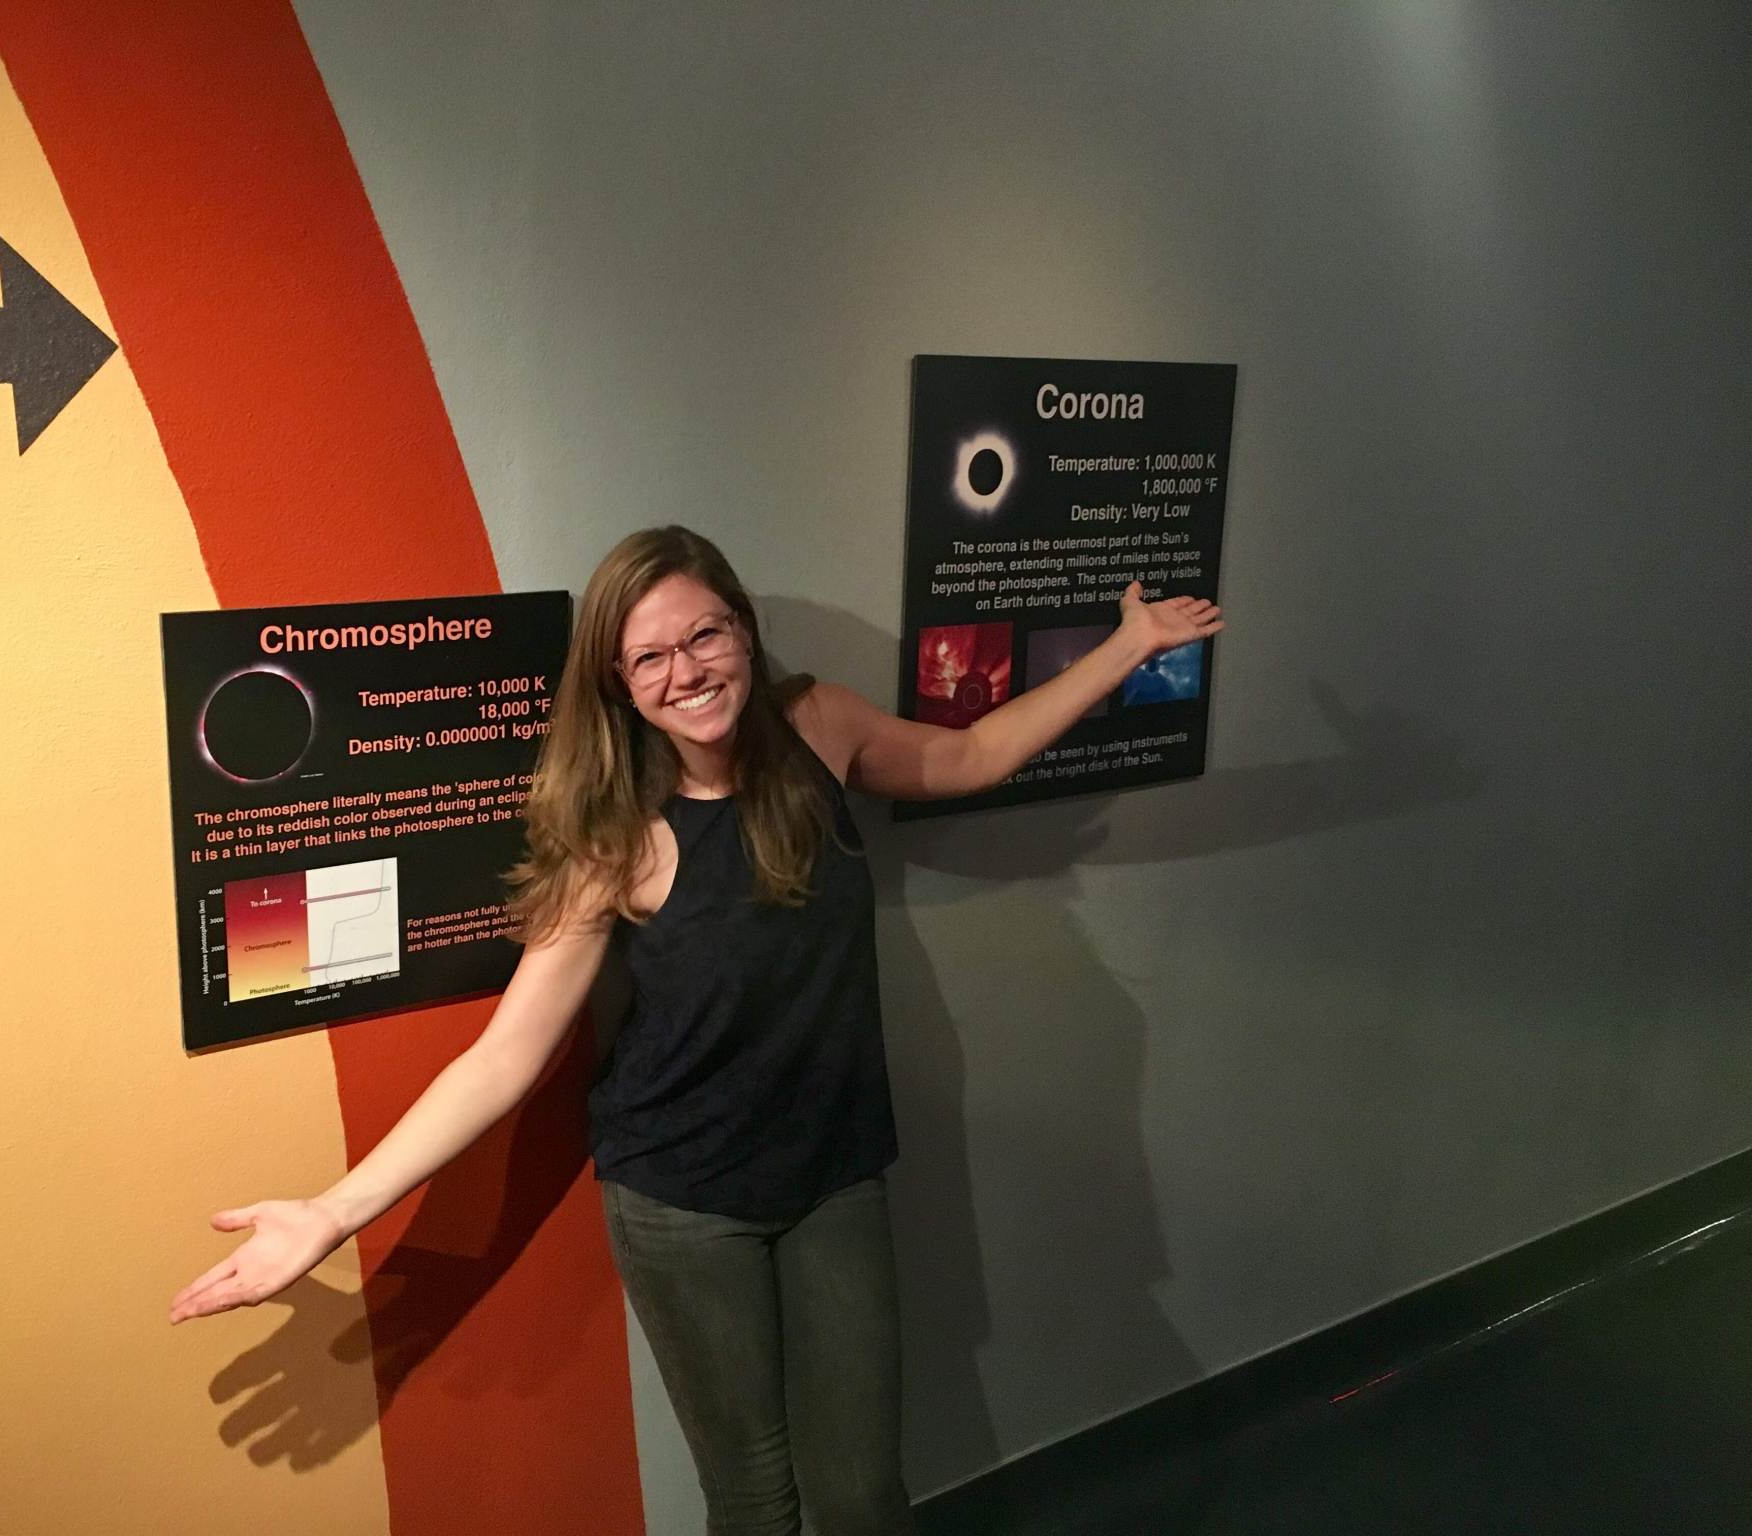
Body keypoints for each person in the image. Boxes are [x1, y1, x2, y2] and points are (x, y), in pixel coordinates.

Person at [170, 525, 1222, 1535]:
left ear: (743, 631)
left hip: (834, 1176)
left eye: (703, 635)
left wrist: (1127, 646)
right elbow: (506, 1053)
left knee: (862, 1499)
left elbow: (967, 758)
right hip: (683, 1201)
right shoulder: (615, 833)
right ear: (618, 685)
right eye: (649, 658)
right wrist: (331, 1211)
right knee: (755, 1505)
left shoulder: (816, 725)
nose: (685, 671)